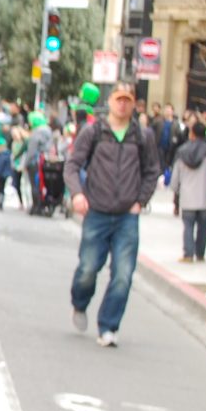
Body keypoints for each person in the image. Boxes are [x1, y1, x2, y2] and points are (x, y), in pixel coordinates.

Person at [66, 85, 160, 347]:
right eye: (118, 100)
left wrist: (140, 201)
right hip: (96, 212)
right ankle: (79, 302)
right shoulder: (93, 132)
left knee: (123, 274)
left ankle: (108, 326)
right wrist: (77, 194)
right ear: (109, 102)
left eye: (127, 101)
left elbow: (152, 170)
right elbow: (73, 165)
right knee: (88, 269)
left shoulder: (142, 135)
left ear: (133, 105)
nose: (122, 105)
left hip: (126, 216)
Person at [171, 121, 206, 263]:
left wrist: (176, 191)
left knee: (188, 226)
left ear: (192, 134)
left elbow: (175, 178)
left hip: (187, 196)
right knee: (203, 227)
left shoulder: (182, 152)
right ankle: (201, 253)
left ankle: (188, 254)